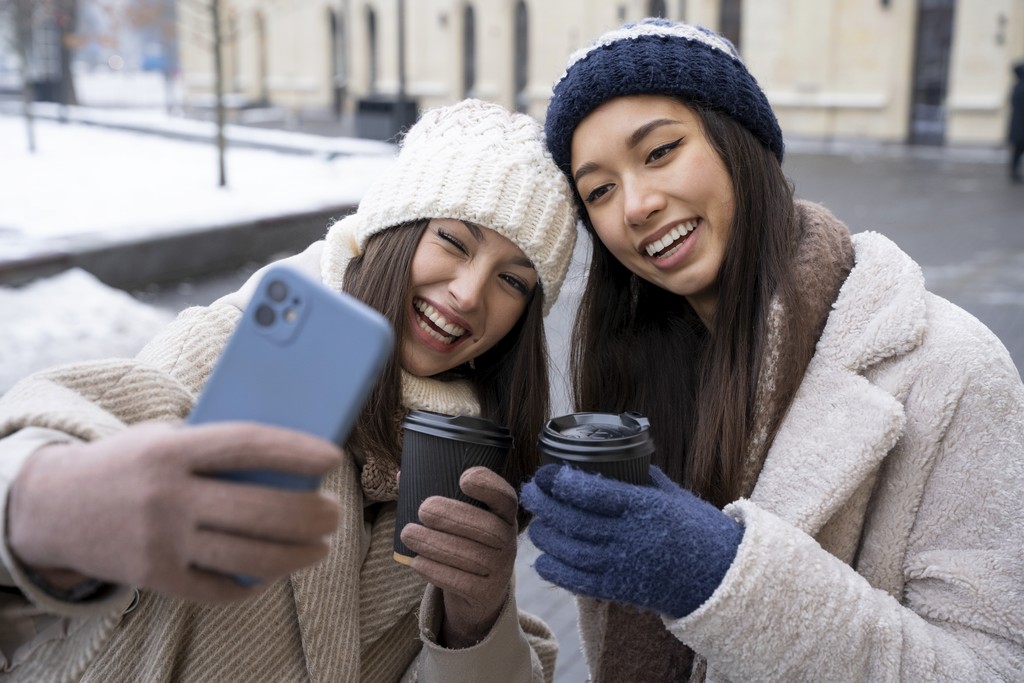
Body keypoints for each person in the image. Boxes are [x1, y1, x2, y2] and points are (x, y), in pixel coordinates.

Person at [0, 98, 578, 681]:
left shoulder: (464, 460)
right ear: (393, 228)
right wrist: (45, 503)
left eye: (512, 280)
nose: (470, 294)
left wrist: (475, 626)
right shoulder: (240, 346)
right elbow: (58, 419)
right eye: (453, 241)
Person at [521, 18, 1024, 682]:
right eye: (600, 191)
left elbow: (992, 666)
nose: (636, 205)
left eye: (661, 150)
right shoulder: (636, 376)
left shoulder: (953, 368)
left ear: (740, 141)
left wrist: (721, 576)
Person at [1010, 61, 1024, 183]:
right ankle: (1014, 173)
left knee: (1017, 152)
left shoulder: (1016, 86)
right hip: (1021, 127)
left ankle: (1014, 173)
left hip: (1017, 126)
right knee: (1018, 152)